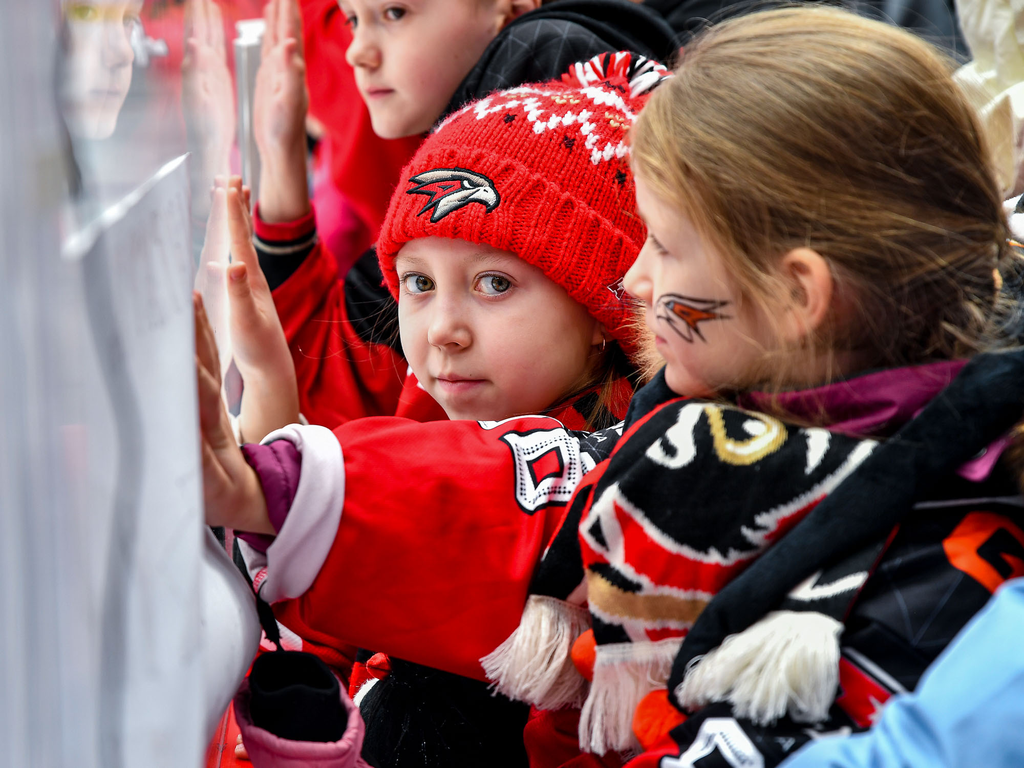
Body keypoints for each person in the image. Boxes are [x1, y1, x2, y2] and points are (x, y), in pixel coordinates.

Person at [206, 71, 662, 767]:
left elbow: (463, 498)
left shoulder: (621, 472)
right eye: (418, 283)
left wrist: (269, 473)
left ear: (602, 314)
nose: (443, 329)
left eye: (494, 284)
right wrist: (271, 382)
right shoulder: (434, 416)